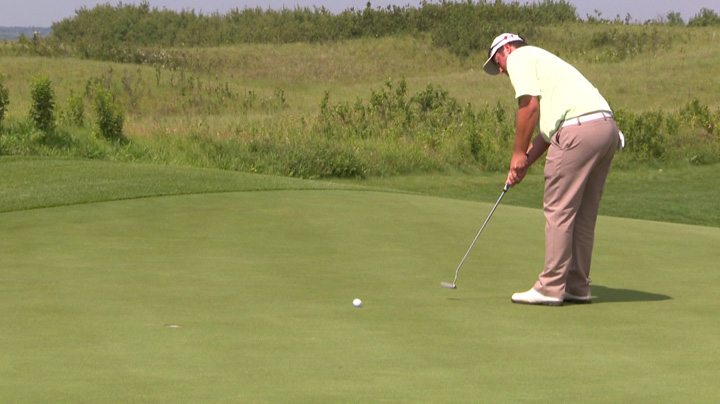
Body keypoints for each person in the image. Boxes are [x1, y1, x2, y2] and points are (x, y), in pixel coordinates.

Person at [482, 33, 622, 306]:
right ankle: (577, 286)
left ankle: (550, 286)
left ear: (506, 48)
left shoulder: (519, 57)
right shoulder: (544, 64)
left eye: (498, 62)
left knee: (559, 209)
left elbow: (529, 108)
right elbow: (547, 135)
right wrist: (523, 163)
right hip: (605, 129)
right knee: (583, 214)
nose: (500, 70)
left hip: (577, 131)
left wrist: (517, 154)